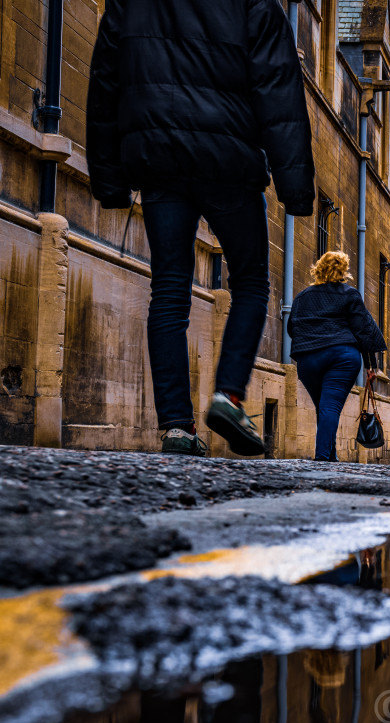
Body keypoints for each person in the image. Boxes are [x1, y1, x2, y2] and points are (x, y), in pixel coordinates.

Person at [87, 0, 314, 457]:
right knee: (251, 281)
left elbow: (105, 79)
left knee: (169, 287)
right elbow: (278, 92)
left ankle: (175, 426)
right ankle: (228, 396)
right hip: (227, 157)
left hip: (157, 156)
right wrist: (296, 187)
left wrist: (108, 176)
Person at [287, 252, 386, 461]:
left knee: (324, 407)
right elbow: (364, 330)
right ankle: (323, 458)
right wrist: (371, 366)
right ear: (343, 270)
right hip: (342, 356)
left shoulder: (303, 296)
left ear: (319, 268)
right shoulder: (350, 294)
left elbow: (291, 328)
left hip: (309, 358)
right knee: (329, 407)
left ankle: (330, 457)